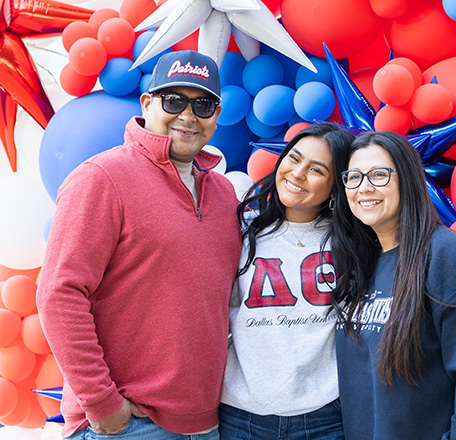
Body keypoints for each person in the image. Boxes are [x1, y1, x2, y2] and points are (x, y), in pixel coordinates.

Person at [36, 50, 241, 439]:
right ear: (147, 103)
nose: (188, 115)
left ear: (216, 115)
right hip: (129, 425)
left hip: (206, 424)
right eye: (174, 100)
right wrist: (101, 403)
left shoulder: (224, 193)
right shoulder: (102, 178)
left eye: (203, 104)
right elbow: (58, 295)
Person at [330, 131, 456, 440]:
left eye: (379, 175)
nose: (363, 187)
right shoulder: (362, 264)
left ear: (407, 179)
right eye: (353, 177)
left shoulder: (444, 252)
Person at [219, 123, 355, 439]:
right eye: (293, 158)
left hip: (325, 419)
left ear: (336, 186)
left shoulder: (351, 243)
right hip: (241, 418)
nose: (297, 173)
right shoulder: (240, 230)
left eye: (317, 170)